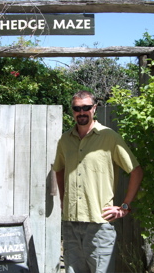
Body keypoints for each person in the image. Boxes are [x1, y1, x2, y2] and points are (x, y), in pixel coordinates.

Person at [53, 90, 144, 273]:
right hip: (70, 223)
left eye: (86, 107)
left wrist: (124, 206)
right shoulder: (65, 140)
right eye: (77, 108)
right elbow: (59, 169)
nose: (82, 112)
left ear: (94, 108)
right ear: (72, 111)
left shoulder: (109, 137)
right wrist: (63, 200)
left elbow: (136, 171)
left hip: (99, 223)